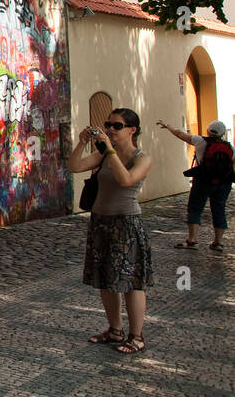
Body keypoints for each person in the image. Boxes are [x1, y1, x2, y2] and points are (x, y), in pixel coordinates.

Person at [69, 109, 152, 354]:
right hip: (100, 222)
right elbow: (74, 166)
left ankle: (136, 335)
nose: (111, 130)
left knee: (131, 282)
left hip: (126, 223)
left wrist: (109, 149)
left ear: (132, 130)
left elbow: (126, 179)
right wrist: (82, 143)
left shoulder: (141, 157)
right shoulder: (103, 154)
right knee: (105, 279)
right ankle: (115, 329)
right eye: (108, 125)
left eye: (117, 126)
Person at [158, 119, 232, 252]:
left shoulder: (200, 141)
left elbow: (180, 134)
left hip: (203, 180)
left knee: (195, 208)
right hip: (223, 183)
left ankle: (192, 240)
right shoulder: (230, 147)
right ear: (222, 133)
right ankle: (218, 242)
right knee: (219, 209)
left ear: (208, 131)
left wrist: (168, 126)